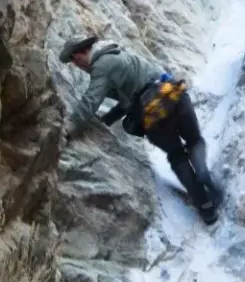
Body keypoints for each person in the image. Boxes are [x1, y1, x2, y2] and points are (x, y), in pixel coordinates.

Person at [61, 34, 222, 225]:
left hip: (152, 116)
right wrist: (107, 120)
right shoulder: (120, 54)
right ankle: (203, 174)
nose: (75, 63)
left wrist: (69, 126)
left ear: (83, 51)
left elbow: (91, 100)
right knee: (194, 140)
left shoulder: (101, 66)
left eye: (74, 58)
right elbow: (128, 99)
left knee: (177, 155)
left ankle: (205, 208)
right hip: (173, 94)